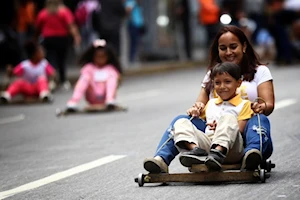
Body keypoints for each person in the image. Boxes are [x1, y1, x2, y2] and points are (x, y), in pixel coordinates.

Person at [143, 25, 274, 173]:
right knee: (182, 120)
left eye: (233, 47)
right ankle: (163, 159)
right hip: (211, 134)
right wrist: (196, 109)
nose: (228, 52)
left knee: (258, 119)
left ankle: (252, 155)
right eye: (223, 48)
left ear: (243, 46)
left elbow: (268, 104)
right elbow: (201, 103)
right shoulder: (213, 74)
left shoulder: (260, 71)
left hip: (243, 134)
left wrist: (261, 107)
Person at [174, 62, 254, 171]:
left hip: (231, 148)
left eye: (227, 82)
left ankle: (218, 152)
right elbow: (197, 117)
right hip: (209, 146)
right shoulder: (211, 103)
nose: (222, 86)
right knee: (181, 122)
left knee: (228, 117)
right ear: (213, 84)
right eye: (217, 83)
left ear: (238, 83)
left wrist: (219, 126)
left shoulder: (245, 104)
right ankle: (197, 152)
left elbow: (240, 129)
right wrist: (194, 111)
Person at [35, 0, 81, 90]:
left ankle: (52, 80)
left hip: (49, 39)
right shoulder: (64, 12)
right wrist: (76, 36)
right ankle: (62, 80)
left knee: (50, 59)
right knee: (61, 60)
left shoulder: (43, 13)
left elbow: (38, 27)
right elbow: (71, 25)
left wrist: (35, 38)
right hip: (61, 39)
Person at [65, 39, 122, 111]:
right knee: (84, 78)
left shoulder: (110, 68)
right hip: (92, 95)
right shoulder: (89, 68)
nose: (100, 59)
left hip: (105, 96)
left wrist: (118, 80)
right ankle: (73, 101)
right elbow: (81, 82)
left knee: (112, 77)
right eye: (98, 57)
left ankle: (110, 100)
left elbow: (117, 80)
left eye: (103, 57)